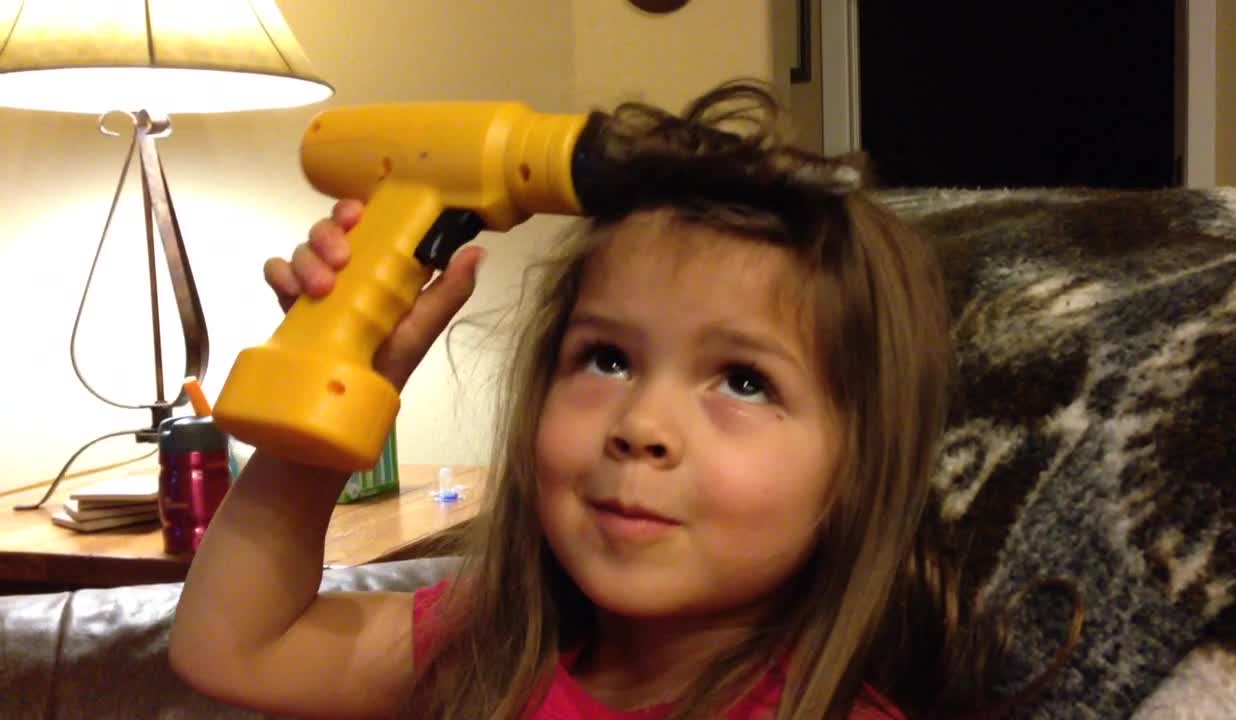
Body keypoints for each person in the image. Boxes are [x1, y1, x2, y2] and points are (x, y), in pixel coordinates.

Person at [171, 81, 1070, 719]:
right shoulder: (487, 651)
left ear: (861, 466)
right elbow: (231, 648)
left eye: (745, 381)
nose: (640, 427)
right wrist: (329, 398)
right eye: (605, 359)